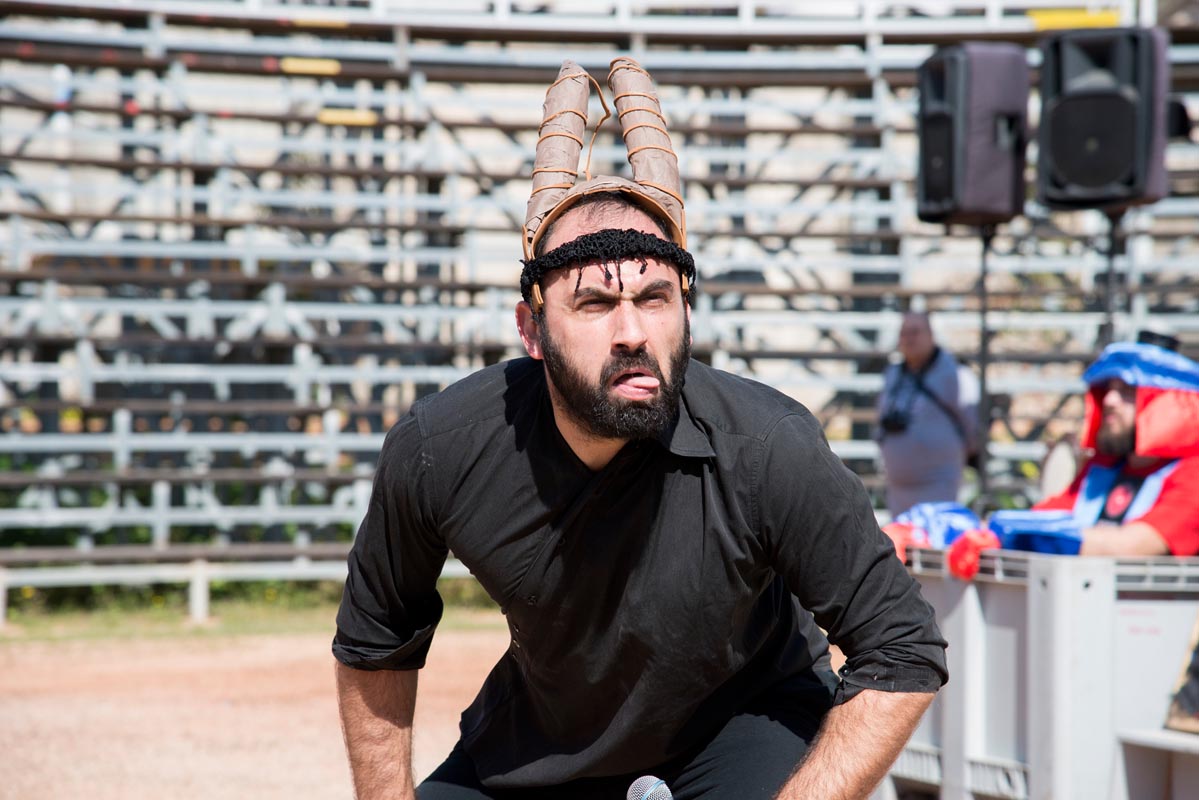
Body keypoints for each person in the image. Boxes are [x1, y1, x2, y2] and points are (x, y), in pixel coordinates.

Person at [332, 56, 947, 800]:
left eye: (655, 299)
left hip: (743, 721)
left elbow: (902, 648)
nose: (632, 332)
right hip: (543, 741)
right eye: (594, 305)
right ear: (532, 330)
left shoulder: (766, 444)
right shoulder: (440, 449)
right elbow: (375, 644)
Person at [1031, 339, 1199, 556]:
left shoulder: (1192, 472)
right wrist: (995, 533)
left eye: (1128, 391)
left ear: (1168, 404)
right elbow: (1050, 515)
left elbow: (1133, 547)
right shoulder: (1106, 463)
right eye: (1109, 389)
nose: (1109, 400)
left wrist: (1024, 538)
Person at [876, 311, 979, 517]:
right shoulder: (893, 374)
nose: (909, 339)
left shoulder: (956, 374)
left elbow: (972, 428)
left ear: (931, 336)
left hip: (939, 485)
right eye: (904, 333)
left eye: (915, 332)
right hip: (898, 489)